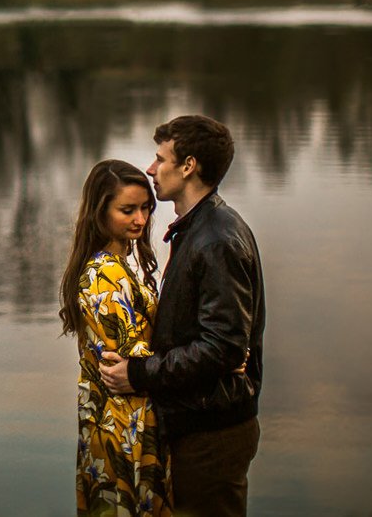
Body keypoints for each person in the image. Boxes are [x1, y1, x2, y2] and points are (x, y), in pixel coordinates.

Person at [98, 115, 265, 517]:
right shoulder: (200, 228)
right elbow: (219, 342)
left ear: (188, 166)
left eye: (160, 159)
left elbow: (223, 348)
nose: (151, 169)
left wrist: (138, 373)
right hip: (199, 423)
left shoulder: (217, 238)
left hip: (213, 432)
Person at [59, 159, 171, 516]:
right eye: (127, 210)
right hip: (122, 426)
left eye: (145, 208)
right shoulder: (104, 274)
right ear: (99, 212)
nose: (140, 219)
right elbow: (135, 357)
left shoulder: (123, 264)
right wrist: (214, 361)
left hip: (127, 416)